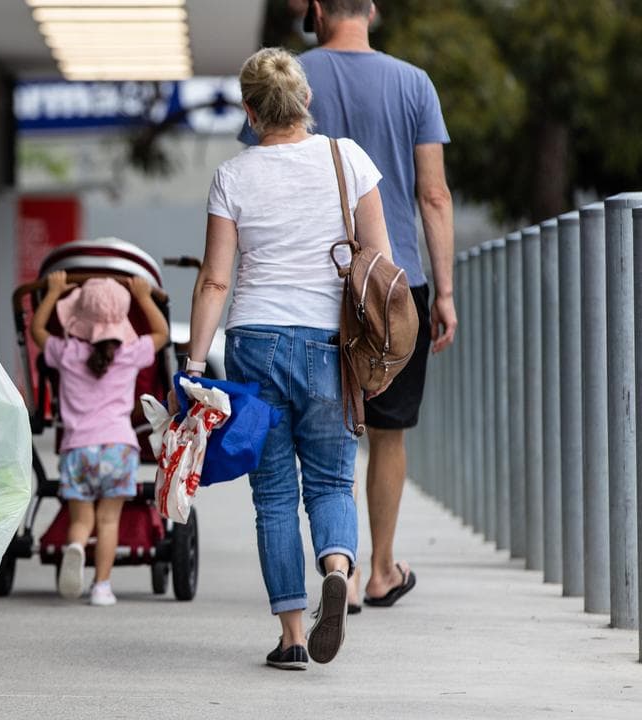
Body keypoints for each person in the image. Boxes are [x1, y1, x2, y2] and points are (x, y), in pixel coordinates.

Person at [241, 0, 457, 609]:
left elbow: (260, 166)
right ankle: (378, 567)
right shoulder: (413, 83)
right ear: (373, 7)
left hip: (309, 292)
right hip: (392, 285)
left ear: (315, 8)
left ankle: (345, 576)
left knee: (310, 441)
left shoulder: (286, 74)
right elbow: (433, 194)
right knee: (387, 431)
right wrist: (442, 291)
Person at [189, 47, 395, 669]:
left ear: (251, 113)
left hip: (254, 342)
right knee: (332, 480)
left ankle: (293, 635)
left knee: (273, 493)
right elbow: (379, 263)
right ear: (305, 101)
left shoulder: (233, 175)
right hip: (328, 343)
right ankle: (337, 565)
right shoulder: (349, 159)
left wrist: (197, 361)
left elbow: (216, 280)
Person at [30, 272, 169, 607]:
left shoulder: (66, 352)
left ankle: (76, 546)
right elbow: (162, 334)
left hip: (77, 449)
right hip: (119, 448)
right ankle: (101, 587)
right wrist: (143, 296)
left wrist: (52, 292)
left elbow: (36, 332)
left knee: (82, 519)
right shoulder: (131, 352)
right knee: (109, 521)